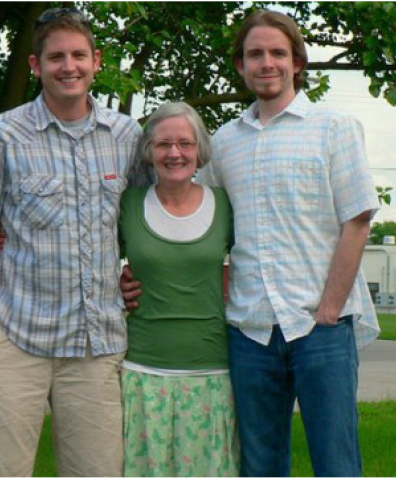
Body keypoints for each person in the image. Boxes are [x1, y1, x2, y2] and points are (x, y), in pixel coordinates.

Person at [121, 9, 380, 477]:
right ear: (240, 65)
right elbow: (196, 220)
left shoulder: (333, 127)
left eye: (278, 53)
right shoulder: (224, 142)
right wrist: (136, 271)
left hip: (319, 328)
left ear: (297, 62)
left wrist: (328, 310)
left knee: (337, 463)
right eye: (254, 53)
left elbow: (358, 221)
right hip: (250, 335)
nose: (267, 62)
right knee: (259, 466)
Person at [0, 7, 142, 477]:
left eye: (79, 55)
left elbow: (145, 222)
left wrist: (134, 272)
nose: (68, 66)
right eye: (56, 57)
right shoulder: (3, 134)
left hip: (96, 346)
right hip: (16, 338)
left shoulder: (127, 136)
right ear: (36, 66)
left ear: (97, 61)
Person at [118, 102, 238, 476]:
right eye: (163, 144)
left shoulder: (225, 206)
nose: (174, 153)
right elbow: (89, 256)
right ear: (148, 151)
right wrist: (114, 285)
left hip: (211, 373)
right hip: (141, 372)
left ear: (200, 150)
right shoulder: (127, 204)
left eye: (185, 144)